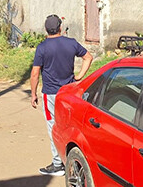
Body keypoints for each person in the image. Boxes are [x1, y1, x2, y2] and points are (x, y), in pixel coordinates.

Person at [30, 14, 93, 176]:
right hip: (70, 92)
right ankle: (77, 161)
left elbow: (35, 73)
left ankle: (58, 164)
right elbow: (88, 57)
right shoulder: (71, 43)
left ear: (46, 29)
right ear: (60, 28)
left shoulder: (42, 47)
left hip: (50, 94)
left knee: (54, 127)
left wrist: (33, 94)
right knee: (73, 126)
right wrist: (79, 76)